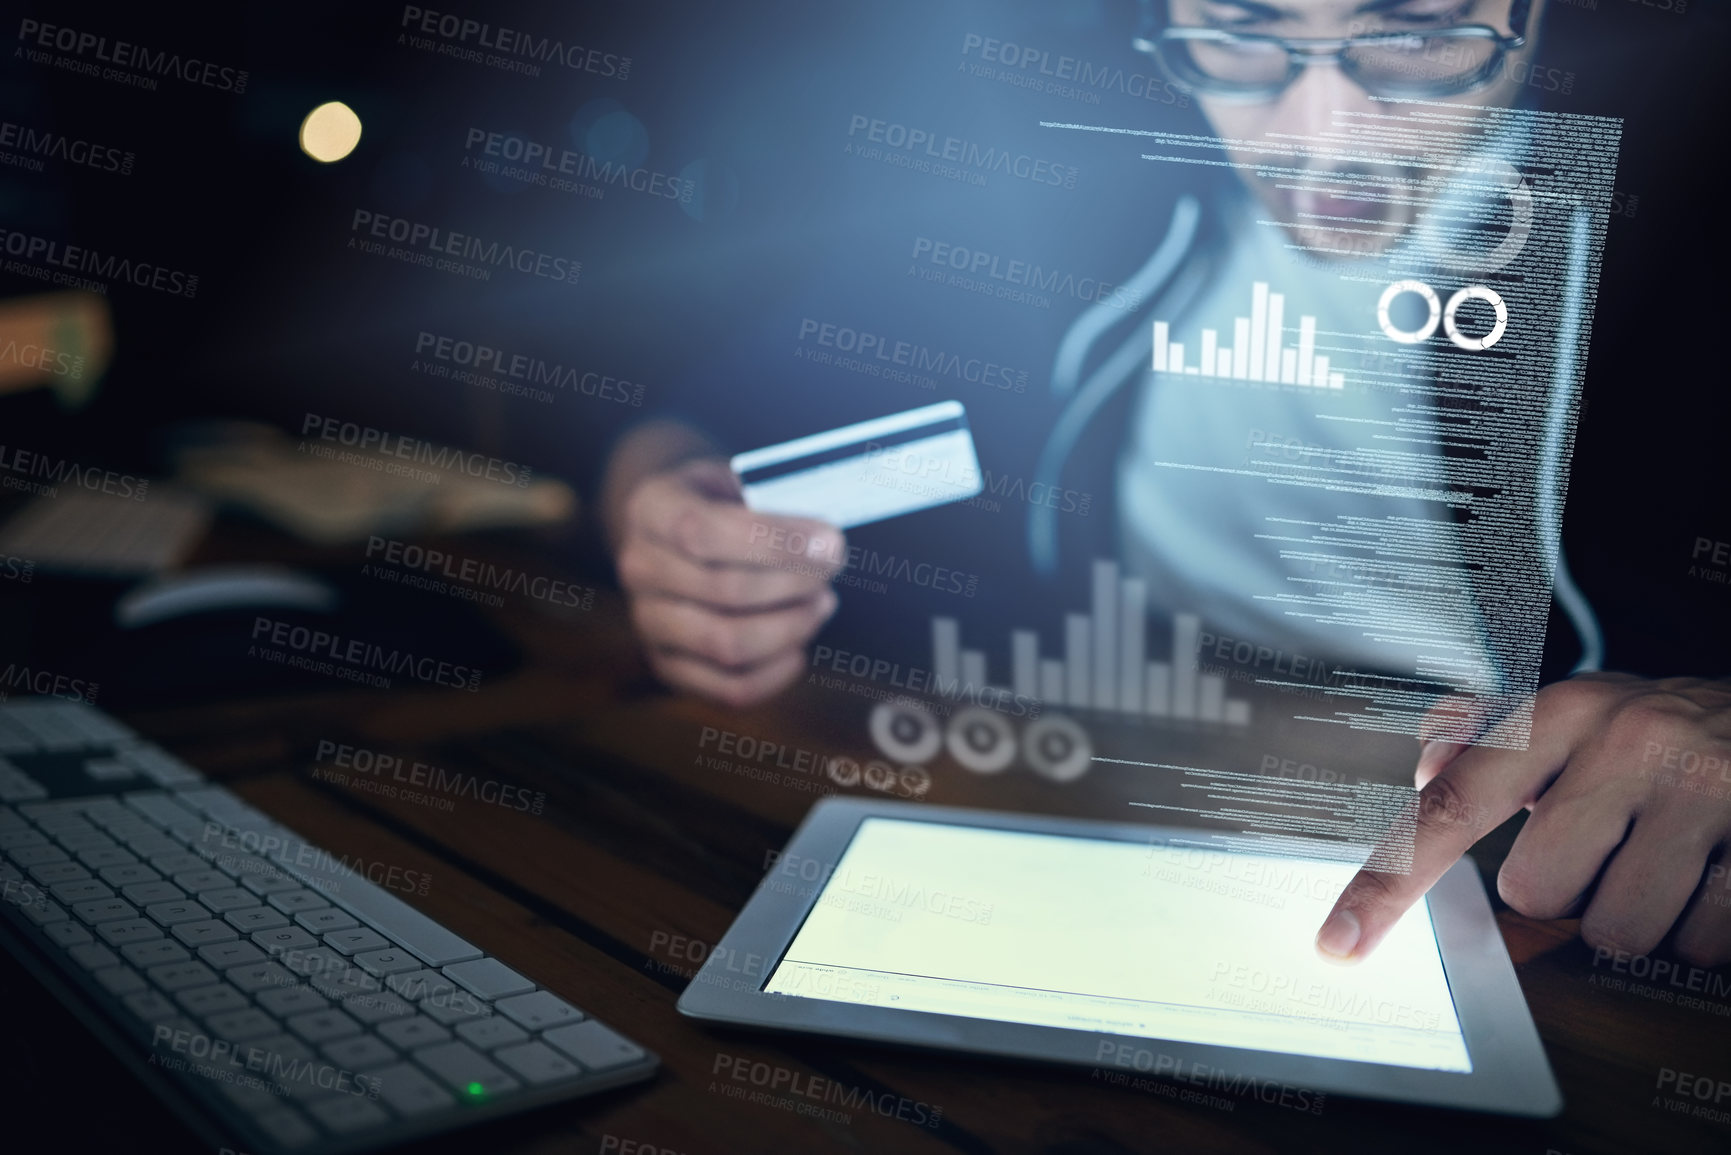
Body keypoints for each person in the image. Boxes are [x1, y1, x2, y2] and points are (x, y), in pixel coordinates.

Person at [599, 0, 1731, 970]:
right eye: (1242, 39)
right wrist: (670, 517)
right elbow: (726, 418)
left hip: (1558, 938)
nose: (1323, 134)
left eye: (1417, 38)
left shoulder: (1680, 204)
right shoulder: (1061, 178)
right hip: (1084, 843)